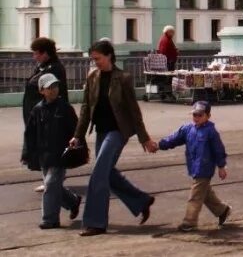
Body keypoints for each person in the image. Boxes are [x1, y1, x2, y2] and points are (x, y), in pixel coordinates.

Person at [70, 40, 157, 236]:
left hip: (118, 132)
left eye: (97, 59)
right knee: (107, 173)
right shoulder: (92, 77)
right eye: (93, 59)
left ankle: (95, 223)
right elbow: (85, 108)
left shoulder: (123, 78)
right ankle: (142, 200)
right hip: (101, 131)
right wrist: (78, 135)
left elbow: (134, 111)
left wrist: (145, 138)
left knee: (98, 174)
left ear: (109, 56)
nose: (95, 63)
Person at [159, 101, 231, 231]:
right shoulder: (187, 129)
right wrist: (159, 145)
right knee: (205, 194)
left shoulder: (211, 132)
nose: (196, 118)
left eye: (200, 115)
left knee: (195, 195)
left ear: (208, 116)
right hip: (194, 167)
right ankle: (222, 211)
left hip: (205, 167)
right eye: (194, 115)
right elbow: (174, 139)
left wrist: (221, 167)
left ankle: (190, 221)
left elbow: (218, 150)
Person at [21, 73, 81, 229]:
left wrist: (78, 146)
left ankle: (50, 219)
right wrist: (27, 153)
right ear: (42, 91)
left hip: (60, 155)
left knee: (49, 184)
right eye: (49, 87)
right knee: (54, 186)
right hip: (44, 156)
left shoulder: (65, 108)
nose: (54, 90)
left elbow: (76, 130)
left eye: (55, 86)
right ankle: (73, 201)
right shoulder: (37, 110)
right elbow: (30, 134)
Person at [24, 37, 69, 125]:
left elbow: (53, 95)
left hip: (45, 118)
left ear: (45, 53)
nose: (34, 57)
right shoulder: (42, 67)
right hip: (36, 115)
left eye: (36, 54)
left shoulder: (54, 69)